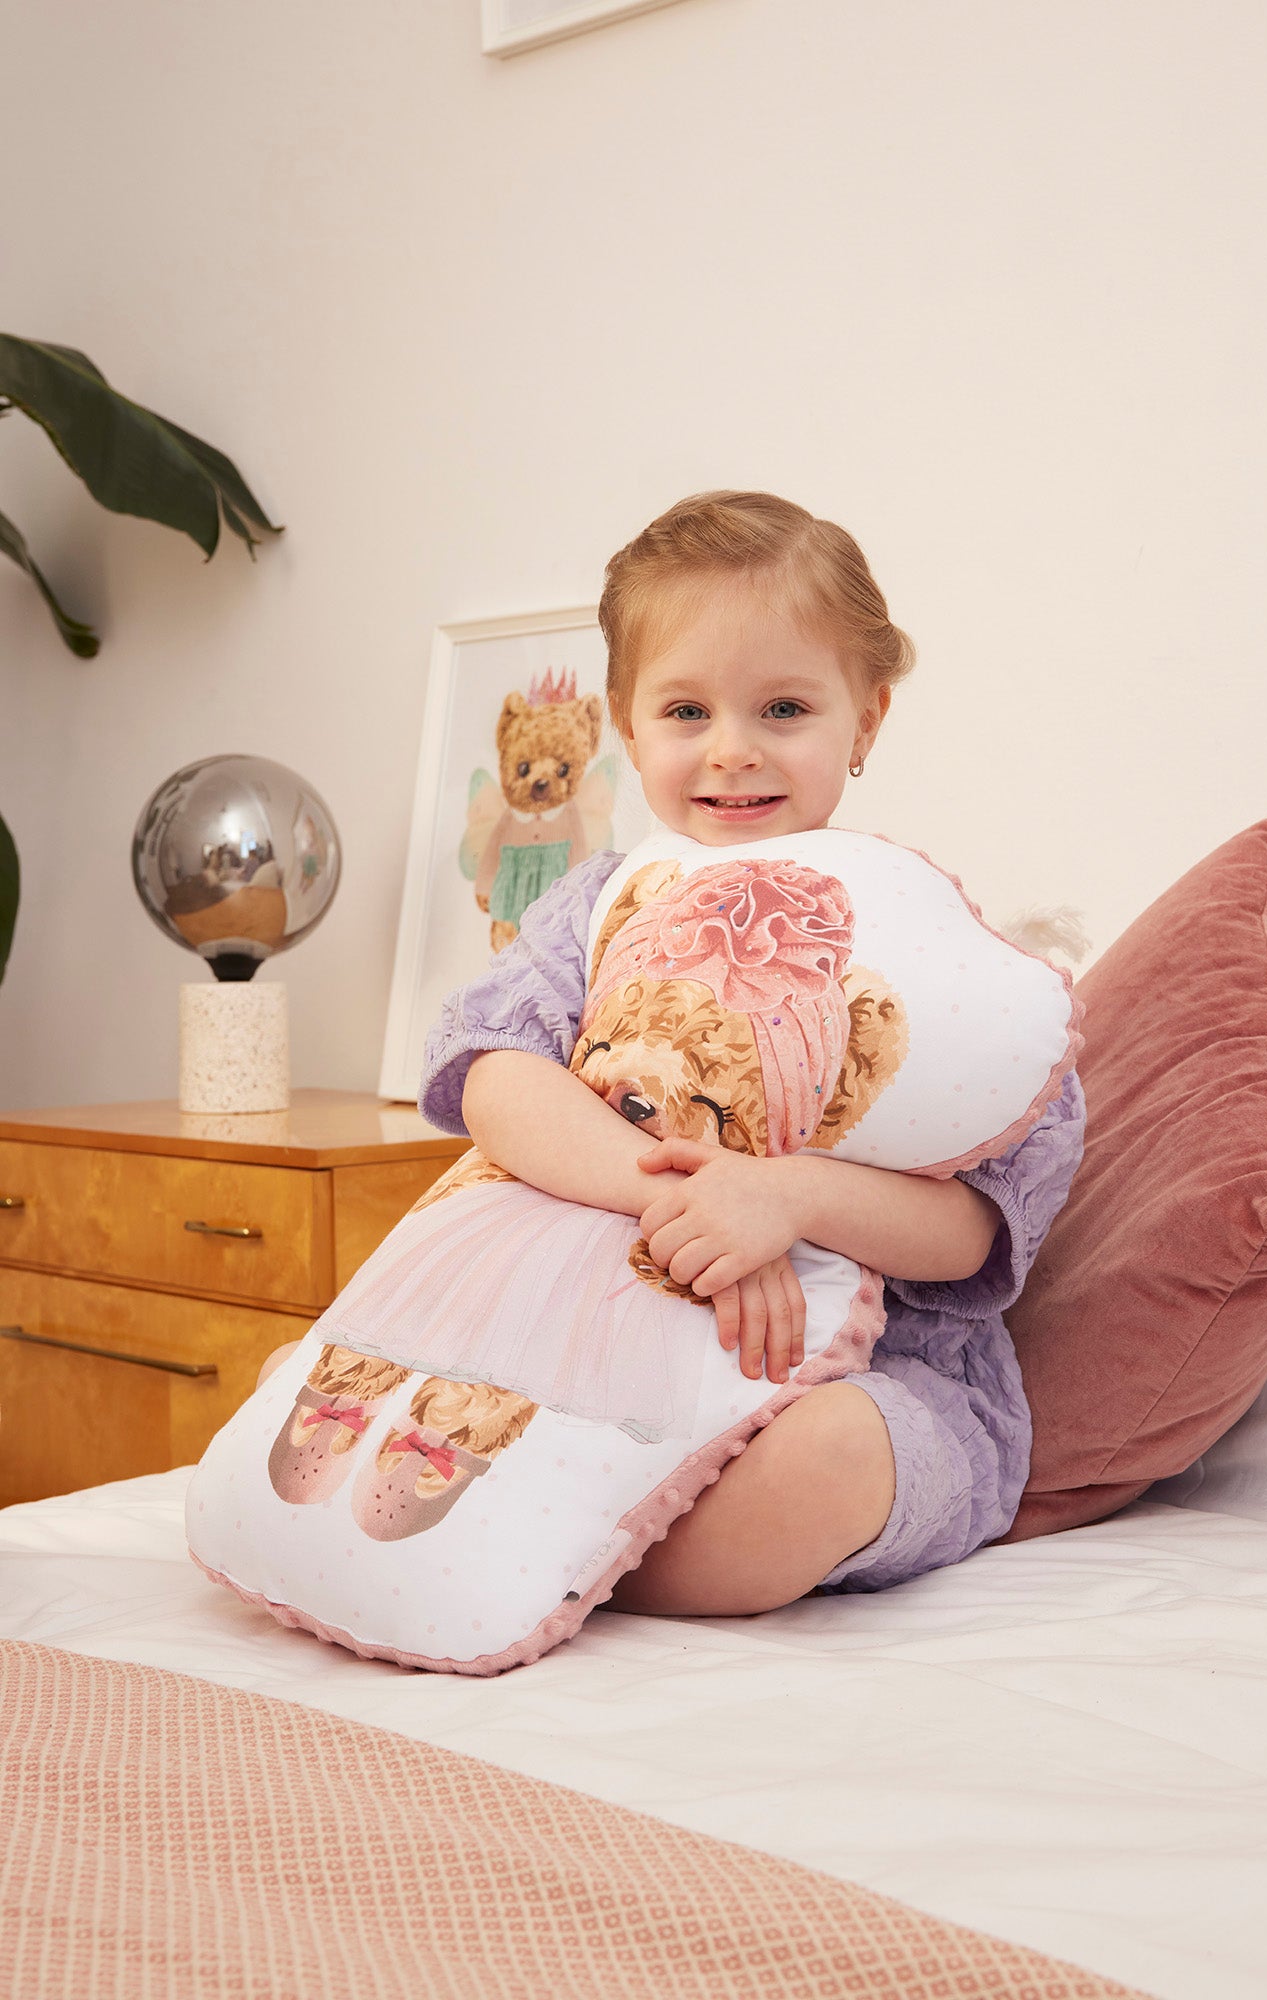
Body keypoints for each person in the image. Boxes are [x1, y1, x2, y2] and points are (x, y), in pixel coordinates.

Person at [280, 490, 1085, 1621]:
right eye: (687, 710)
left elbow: (973, 1230)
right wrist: (679, 1198)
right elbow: (497, 1073)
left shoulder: (932, 946)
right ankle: (544, 1516)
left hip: (862, 1366)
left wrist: (785, 1197)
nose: (732, 750)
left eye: (785, 708)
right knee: (351, 1380)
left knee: (842, 1454)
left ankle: (623, 1558)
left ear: (865, 719)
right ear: (626, 723)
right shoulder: (600, 903)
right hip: (605, 1329)